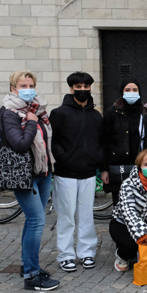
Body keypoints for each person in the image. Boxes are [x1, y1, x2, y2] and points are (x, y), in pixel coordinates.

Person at [0, 70, 59, 290]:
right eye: (23, 85)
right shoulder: (9, 112)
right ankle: (32, 277)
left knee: (33, 220)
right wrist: (31, 122)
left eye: (31, 84)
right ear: (13, 88)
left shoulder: (37, 109)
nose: (28, 89)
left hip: (42, 172)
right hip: (23, 175)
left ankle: (27, 265)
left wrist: (34, 119)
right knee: (37, 221)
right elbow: (21, 144)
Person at [50, 71, 103, 272]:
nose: (82, 90)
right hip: (65, 174)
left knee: (86, 215)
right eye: (78, 87)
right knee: (66, 216)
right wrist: (64, 158)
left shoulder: (95, 115)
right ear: (71, 89)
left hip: (89, 173)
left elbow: (100, 141)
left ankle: (87, 252)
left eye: (86, 87)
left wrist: (97, 159)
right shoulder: (59, 113)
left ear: (90, 88)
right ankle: (65, 255)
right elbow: (53, 142)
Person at [101, 78, 147, 205]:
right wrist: (104, 169)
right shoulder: (112, 112)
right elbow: (105, 142)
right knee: (120, 205)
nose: (131, 92)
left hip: (142, 166)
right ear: (122, 92)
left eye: (134, 90)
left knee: (141, 203)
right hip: (119, 166)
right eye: (127, 90)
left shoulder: (146, 113)